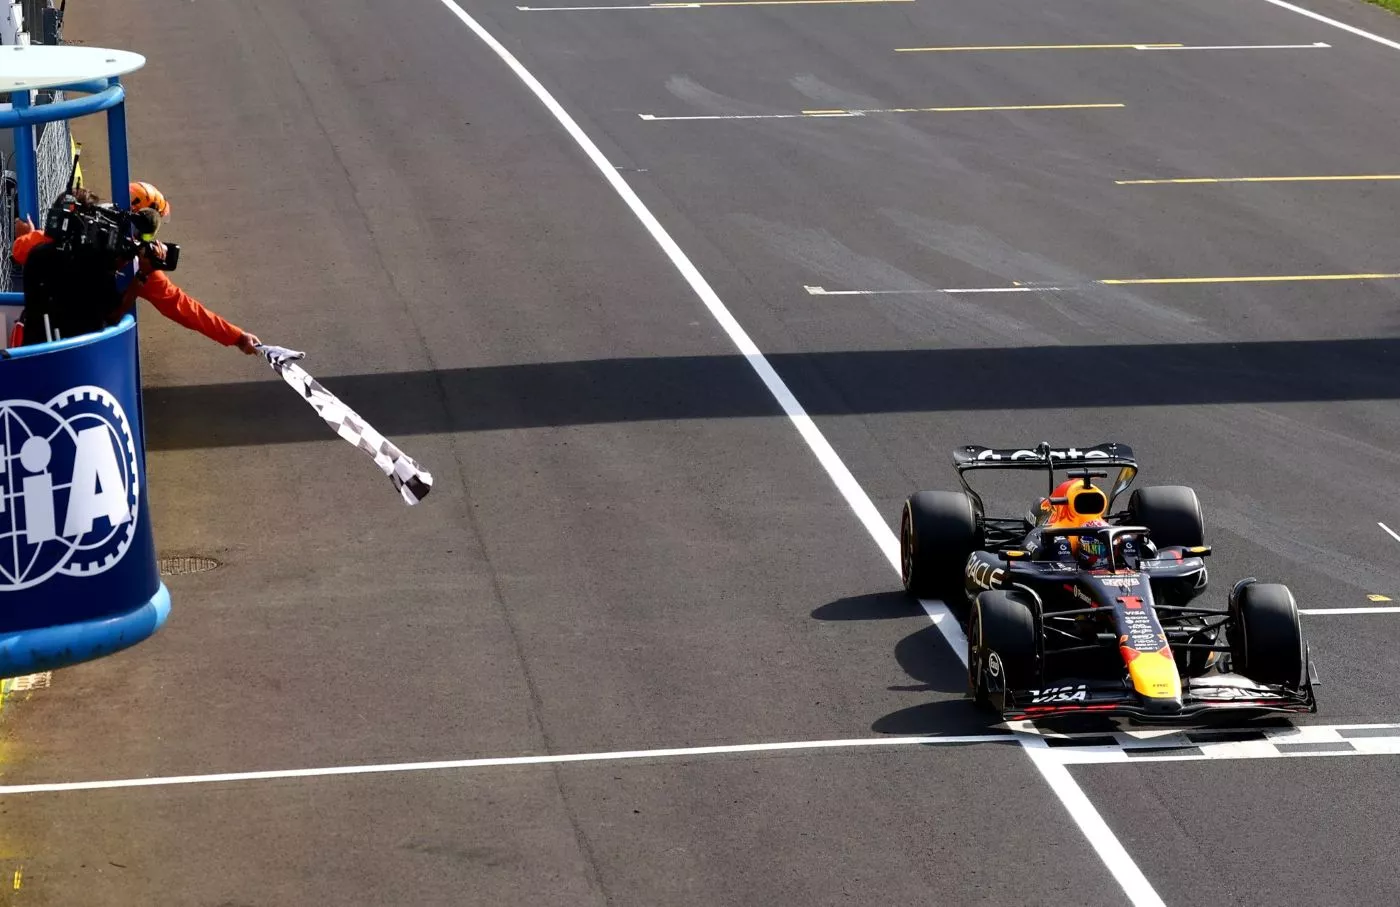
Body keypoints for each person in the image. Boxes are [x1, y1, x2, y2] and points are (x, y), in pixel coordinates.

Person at [9, 183, 260, 352]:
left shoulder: (61, 236)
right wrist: (236, 337)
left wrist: (27, 236)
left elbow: (20, 250)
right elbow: (183, 308)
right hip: (86, 349)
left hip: (37, 343)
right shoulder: (140, 263)